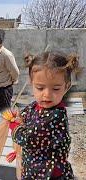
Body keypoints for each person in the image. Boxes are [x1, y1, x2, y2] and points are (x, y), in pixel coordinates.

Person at [8, 51, 79, 179]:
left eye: (56, 89)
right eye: (40, 88)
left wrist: (15, 127)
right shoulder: (34, 106)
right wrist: (18, 117)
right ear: (32, 84)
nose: (47, 94)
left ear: (67, 87)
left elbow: (28, 139)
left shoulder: (56, 116)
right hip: (33, 167)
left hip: (49, 173)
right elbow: (24, 115)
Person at [0, 32, 20, 112]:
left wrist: (11, 82)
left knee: (4, 115)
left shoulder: (6, 55)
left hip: (3, 91)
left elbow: (15, 72)